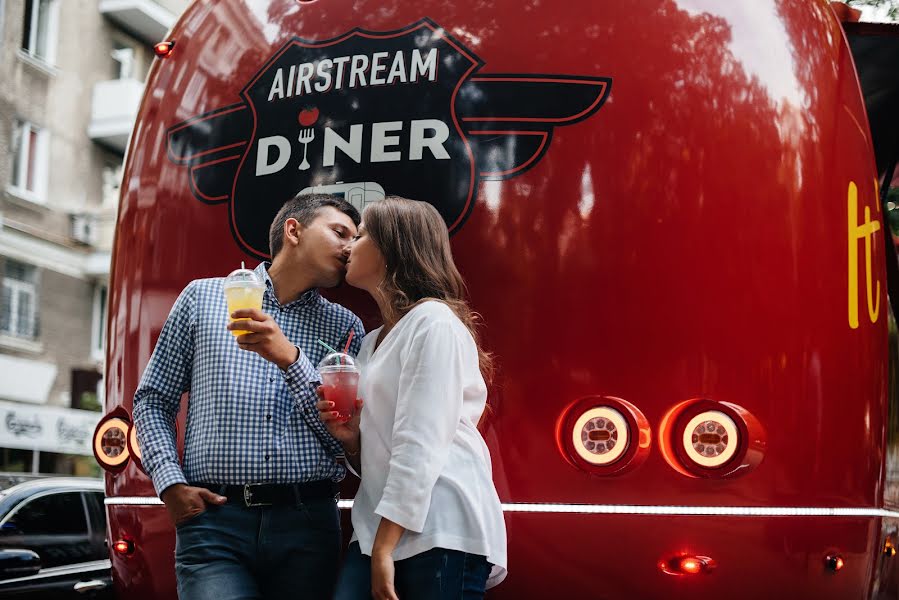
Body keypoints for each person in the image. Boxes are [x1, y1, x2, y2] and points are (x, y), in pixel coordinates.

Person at [132, 193, 364, 600]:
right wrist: (169, 484)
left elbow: (340, 442)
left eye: (356, 238)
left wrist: (290, 359)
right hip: (214, 523)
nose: (351, 247)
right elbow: (152, 400)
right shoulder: (203, 298)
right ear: (293, 230)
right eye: (339, 232)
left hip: (308, 524)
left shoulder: (346, 326)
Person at [317, 196, 508, 600]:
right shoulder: (370, 344)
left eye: (363, 234)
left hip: (439, 528)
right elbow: (380, 452)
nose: (350, 246)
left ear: (392, 247)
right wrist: (352, 440)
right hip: (376, 530)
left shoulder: (433, 322)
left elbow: (420, 441)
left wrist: (385, 547)